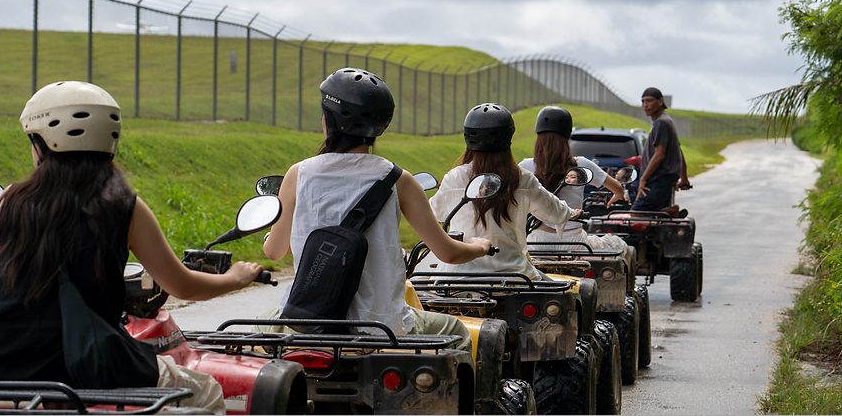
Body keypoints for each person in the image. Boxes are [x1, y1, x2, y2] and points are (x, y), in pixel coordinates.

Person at [0, 81, 263, 414]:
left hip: (0, 367)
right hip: (89, 368)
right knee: (204, 391)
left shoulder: (8, 202)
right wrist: (236, 278)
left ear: (43, 144)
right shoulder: (123, 207)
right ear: (110, 141)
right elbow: (183, 286)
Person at [260, 69, 491, 352]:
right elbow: (450, 253)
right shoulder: (399, 180)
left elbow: (274, 251)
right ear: (379, 127)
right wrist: (480, 246)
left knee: (260, 326)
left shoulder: (298, 174)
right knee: (456, 331)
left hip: (305, 324)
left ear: (327, 120)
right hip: (382, 327)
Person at [429, 103, 580, 281]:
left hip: (454, 278)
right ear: (509, 135)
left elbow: (435, 213)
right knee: (562, 295)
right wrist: (571, 213)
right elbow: (553, 210)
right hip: (513, 276)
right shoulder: (522, 178)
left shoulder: (453, 178)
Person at [519, 106, 634, 270]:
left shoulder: (526, 166)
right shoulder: (581, 165)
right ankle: (628, 294)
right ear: (567, 138)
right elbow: (617, 187)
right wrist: (618, 194)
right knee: (621, 246)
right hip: (574, 243)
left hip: (537, 243)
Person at [634, 87, 691, 214]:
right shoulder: (664, 121)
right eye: (643, 102)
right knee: (655, 216)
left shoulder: (662, 123)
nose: (645, 105)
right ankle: (669, 212)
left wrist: (643, 178)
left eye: (649, 101)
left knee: (637, 213)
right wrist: (684, 177)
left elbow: (659, 155)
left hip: (658, 180)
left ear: (660, 101)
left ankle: (671, 212)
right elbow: (678, 151)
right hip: (663, 180)